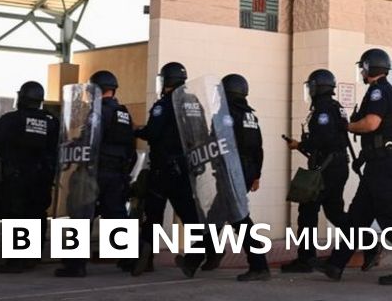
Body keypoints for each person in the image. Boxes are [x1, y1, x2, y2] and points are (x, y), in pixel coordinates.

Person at [320, 49, 392, 285]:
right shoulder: (391, 91)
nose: (362, 71)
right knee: (357, 216)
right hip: (377, 161)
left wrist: (349, 127)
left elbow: (372, 123)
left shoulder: (378, 90)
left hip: (381, 164)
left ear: (370, 68)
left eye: (364, 67)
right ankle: (336, 265)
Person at [133, 62, 214, 277]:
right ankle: (210, 250)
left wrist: (137, 131)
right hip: (186, 168)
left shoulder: (165, 104)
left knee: (153, 215)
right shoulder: (193, 102)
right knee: (190, 216)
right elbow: (202, 133)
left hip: (163, 169)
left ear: (167, 81)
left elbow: (153, 132)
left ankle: (145, 259)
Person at [57, 71, 137, 278]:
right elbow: (131, 147)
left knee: (81, 216)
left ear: (96, 90)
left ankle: (75, 265)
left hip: (95, 170)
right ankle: (129, 259)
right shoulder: (124, 113)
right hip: (117, 172)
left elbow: (90, 140)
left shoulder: (98, 112)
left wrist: (70, 146)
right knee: (116, 215)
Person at [282, 69, 352, 272]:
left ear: (317, 87)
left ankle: (306, 259)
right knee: (335, 212)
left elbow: (323, 140)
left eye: (311, 86)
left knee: (307, 211)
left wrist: (301, 145)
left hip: (327, 168)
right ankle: (369, 242)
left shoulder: (323, 110)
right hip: (337, 166)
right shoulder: (335, 107)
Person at [0, 82, 59, 274]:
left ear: (22, 98)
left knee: (16, 215)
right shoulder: (51, 121)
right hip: (43, 178)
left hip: (17, 176)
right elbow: (58, 148)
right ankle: (32, 257)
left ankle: (16, 261)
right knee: (37, 214)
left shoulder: (12, 119)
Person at [221, 74, 270, 281]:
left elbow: (219, 141)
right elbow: (259, 148)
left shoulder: (227, 114)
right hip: (247, 169)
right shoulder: (251, 116)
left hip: (231, 169)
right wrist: (256, 175)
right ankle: (195, 259)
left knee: (239, 218)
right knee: (218, 213)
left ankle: (259, 264)